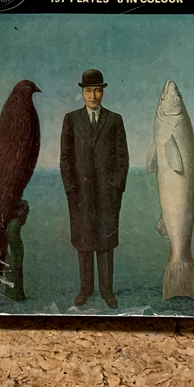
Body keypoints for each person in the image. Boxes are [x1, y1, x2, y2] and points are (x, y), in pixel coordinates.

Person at [60, 69, 128, 308]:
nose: (93, 95)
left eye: (97, 90)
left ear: (103, 92)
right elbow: (65, 157)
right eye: (88, 90)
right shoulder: (71, 119)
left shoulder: (115, 120)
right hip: (80, 194)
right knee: (84, 241)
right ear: (82, 93)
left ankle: (107, 291)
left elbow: (122, 158)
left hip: (107, 194)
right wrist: (70, 189)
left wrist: (116, 188)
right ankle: (85, 290)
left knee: (106, 242)